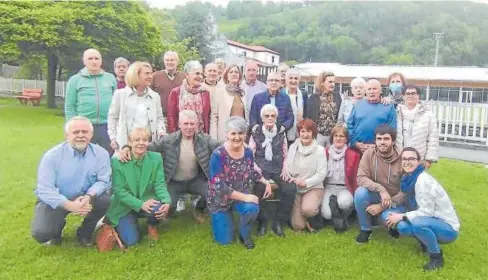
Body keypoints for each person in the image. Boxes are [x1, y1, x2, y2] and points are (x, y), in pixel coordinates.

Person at [117, 110, 220, 223]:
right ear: (179, 124)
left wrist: (240, 144)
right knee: (169, 207)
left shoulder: (204, 140)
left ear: (197, 124)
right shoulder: (168, 140)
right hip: (173, 182)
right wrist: (127, 147)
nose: (189, 127)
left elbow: (221, 146)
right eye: (186, 124)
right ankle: (169, 211)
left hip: (195, 180)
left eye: (192, 124)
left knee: (214, 191)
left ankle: (199, 209)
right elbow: (148, 146)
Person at [31, 116, 111, 247]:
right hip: (57, 199)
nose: (81, 135)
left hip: (85, 197)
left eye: (85, 132)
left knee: (104, 200)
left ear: (91, 134)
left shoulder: (101, 154)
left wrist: (88, 196)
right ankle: (56, 233)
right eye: (76, 132)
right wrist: (70, 205)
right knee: (41, 233)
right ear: (66, 135)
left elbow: (103, 181)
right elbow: (45, 189)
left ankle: (85, 233)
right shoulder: (52, 156)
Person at [385, 147, 460, 271]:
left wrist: (401, 216)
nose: (407, 162)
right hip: (430, 220)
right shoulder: (408, 177)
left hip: (448, 229)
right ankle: (425, 242)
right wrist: (388, 203)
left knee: (418, 224)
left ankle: (436, 258)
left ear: (419, 161)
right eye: (404, 159)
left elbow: (426, 212)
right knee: (400, 224)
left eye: (411, 159)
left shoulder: (423, 180)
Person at [207, 116, 272, 249]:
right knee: (224, 241)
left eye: (240, 133)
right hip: (220, 200)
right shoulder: (218, 155)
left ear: (245, 134)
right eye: (233, 133)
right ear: (227, 135)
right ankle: (224, 218)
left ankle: (244, 232)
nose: (237, 137)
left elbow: (250, 170)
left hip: (240, 196)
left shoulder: (248, 151)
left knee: (252, 207)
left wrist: (266, 182)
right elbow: (218, 186)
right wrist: (247, 197)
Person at [106, 128, 171, 246]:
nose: (141, 143)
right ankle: (115, 224)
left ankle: (152, 226)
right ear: (130, 143)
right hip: (124, 206)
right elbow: (119, 191)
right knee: (131, 241)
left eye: (145, 140)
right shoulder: (117, 161)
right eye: (137, 140)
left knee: (159, 208)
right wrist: (140, 204)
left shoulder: (156, 158)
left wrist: (166, 201)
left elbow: (159, 183)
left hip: (147, 199)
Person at [249, 104, 296, 237]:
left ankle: (278, 222)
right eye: (267, 116)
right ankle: (262, 222)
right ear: (262, 118)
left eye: (272, 116)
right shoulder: (256, 131)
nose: (270, 118)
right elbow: (250, 154)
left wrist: (285, 169)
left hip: (278, 168)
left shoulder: (281, 131)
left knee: (290, 188)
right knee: (258, 187)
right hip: (260, 168)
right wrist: (258, 172)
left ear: (276, 117)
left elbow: (285, 153)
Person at [354, 124, 405, 244]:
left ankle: (392, 227)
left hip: (397, 199)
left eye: (386, 139)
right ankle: (365, 229)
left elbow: (406, 191)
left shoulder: (403, 158)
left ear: (393, 141)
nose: (382, 142)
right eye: (379, 139)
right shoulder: (369, 153)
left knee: (387, 217)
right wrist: (381, 190)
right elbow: (361, 177)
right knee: (360, 193)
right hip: (378, 194)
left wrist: (382, 206)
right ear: (375, 140)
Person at [65, 48, 117, 154]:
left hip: (107, 125)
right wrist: (73, 126)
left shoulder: (110, 78)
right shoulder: (75, 80)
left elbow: (116, 103)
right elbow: (70, 106)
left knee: (109, 156)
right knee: (83, 155)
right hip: (85, 126)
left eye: (96, 58)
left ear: (101, 61)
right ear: (84, 61)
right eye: (90, 58)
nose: (94, 61)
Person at [107, 61, 165, 151]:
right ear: (136, 75)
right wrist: (113, 138)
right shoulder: (120, 94)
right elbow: (113, 118)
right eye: (147, 74)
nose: (150, 76)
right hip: (125, 145)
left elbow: (159, 118)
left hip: (148, 145)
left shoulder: (155, 96)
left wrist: (161, 131)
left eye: (151, 73)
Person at [287, 119, 327, 232]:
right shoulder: (293, 148)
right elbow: (288, 168)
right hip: (297, 187)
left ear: (313, 133)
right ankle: (303, 219)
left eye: (308, 131)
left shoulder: (320, 150)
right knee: (297, 226)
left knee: (308, 210)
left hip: (313, 187)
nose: (305, 134)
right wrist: (294, 180)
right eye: (302, 131)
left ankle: (313, 216)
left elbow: (321, 174)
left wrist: (306, 182)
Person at [320, 125, 360, 232]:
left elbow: (356, 177)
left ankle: (343, 216)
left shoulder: (353, 154)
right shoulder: (324, 152)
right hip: (328, 187)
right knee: (326, 214)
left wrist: (356, 195)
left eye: (341, 136)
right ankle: (335, 214)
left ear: (346, 139)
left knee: (345, 203)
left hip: (344, 188)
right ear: (332, 138)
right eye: (336, 136)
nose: (338, 138)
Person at [348, 79, 397, 154]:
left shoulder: (388, 107)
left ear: (380, 91)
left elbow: (392, 129)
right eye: (369, 89)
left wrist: (379, 145)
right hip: (358, 149)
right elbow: (350, 125)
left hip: (381, 151)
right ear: (365, 91)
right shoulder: (358, 105)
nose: (372, 92)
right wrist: (355, 143)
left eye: (375, 89)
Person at [396, 85, 439, 168]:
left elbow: (433, 138)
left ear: (418, 96)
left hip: (419, 159)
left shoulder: (428, 115)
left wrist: (429, 159)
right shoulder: (396, 113)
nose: (411, 95)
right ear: (403, 96)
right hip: (399, 158)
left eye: (413, 93)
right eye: (408, 93)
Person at [167, 61, 211, 134]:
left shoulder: (205, 92)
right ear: (187, 74)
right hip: (181, 136)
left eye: (201, 74)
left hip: (201, 137)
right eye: (197, 73)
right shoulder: (176, 92)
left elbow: (208, 117)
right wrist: (174, 137)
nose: (200, 76)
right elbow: (171, 117)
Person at [210, 64, 248, 141]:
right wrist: (214, 139)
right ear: (226, 76)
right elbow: (214, 117)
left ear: (239, 76)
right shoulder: (219, 91)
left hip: (240, 134)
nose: (234, 74)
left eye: (236, 72)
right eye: (231, 72)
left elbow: (246, 115)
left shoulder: (242, 93)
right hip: (225, 136)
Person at [305, 71, 342, 147]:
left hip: (332, 136)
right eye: (330, 82)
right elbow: (308, 118)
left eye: (334, 82)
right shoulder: (313, 98)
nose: (333, 84)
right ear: (322, 83)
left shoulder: (337, 97)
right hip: (318, 135)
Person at [152, 51, 186, 115]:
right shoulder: (155, 76)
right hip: (161, 116)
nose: (169, 62)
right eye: (167, 60)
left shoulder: (184, 77)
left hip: (180, 116)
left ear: (177, 62)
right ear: (164, 62)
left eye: (172, 60)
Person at [284, 69, 307, 145]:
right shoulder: (281, 94)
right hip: (284, 132)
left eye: (296, 78)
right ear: (286, 80)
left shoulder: (303, 95)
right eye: (290, 78)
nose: (293, 81)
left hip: (299, 131)